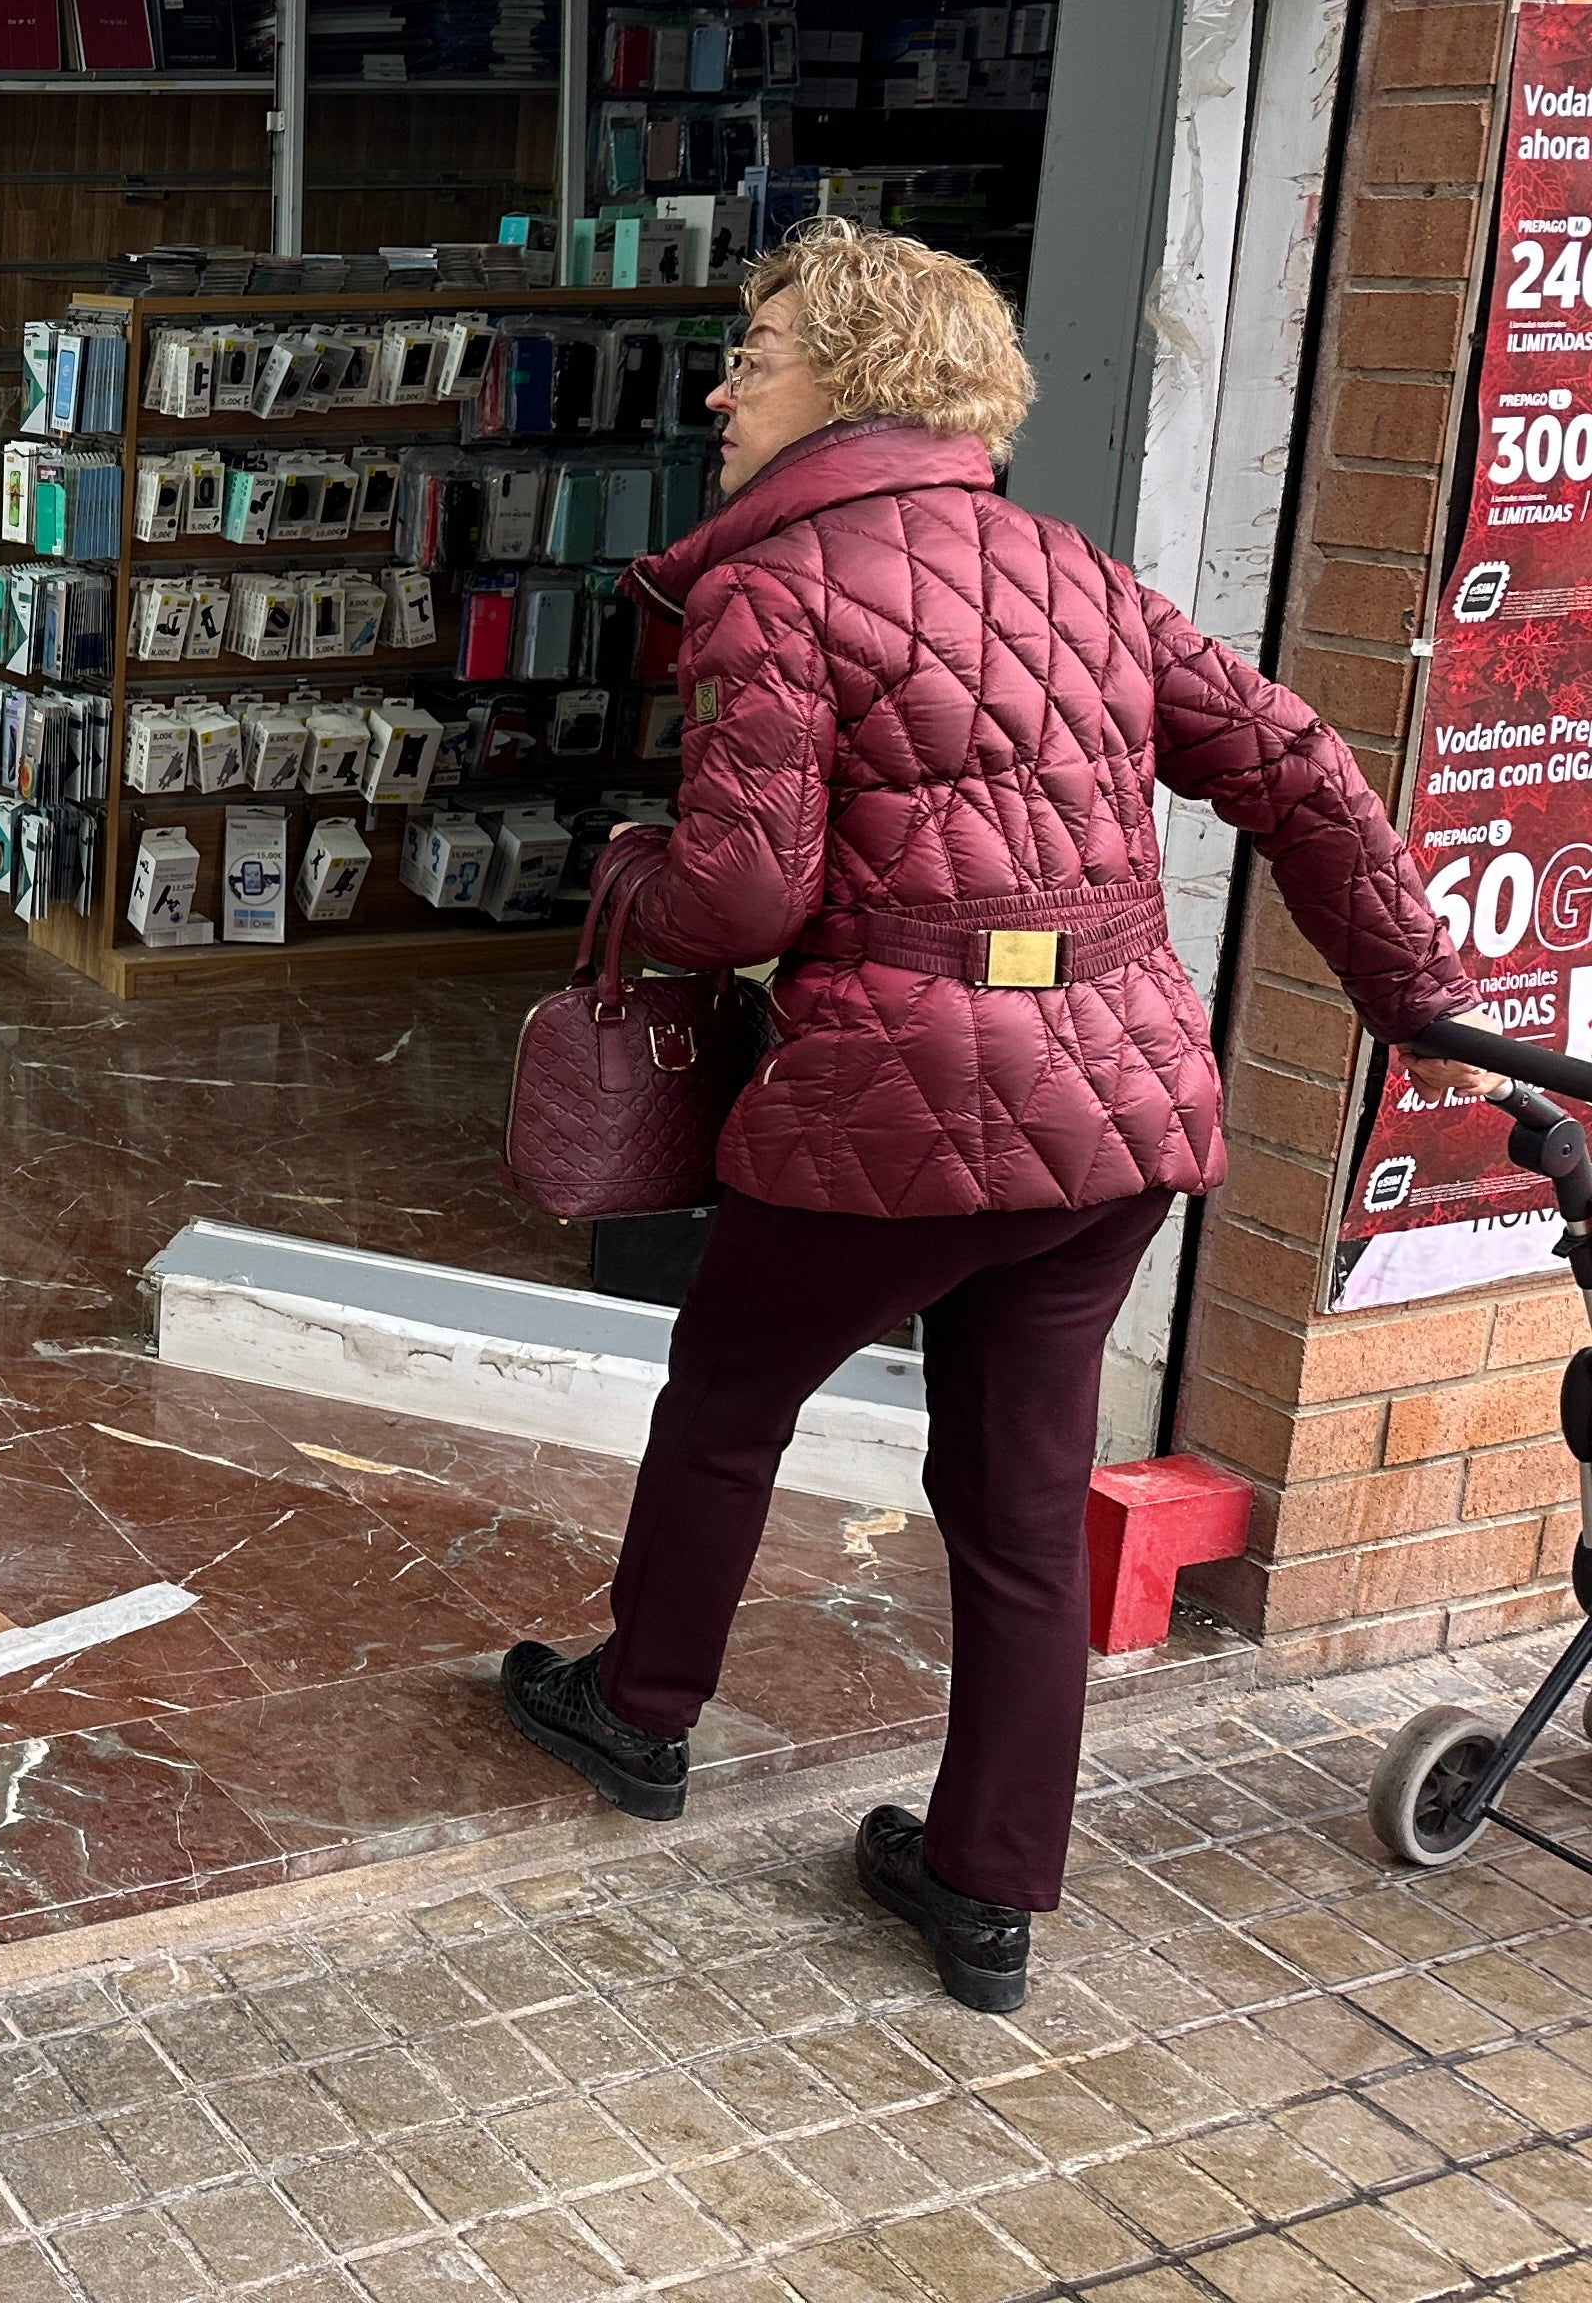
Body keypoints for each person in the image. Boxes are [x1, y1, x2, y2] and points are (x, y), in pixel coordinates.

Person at [499, 218, 1483, 2014]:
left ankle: (639, 1714)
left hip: (892, 1103)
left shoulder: (773, 589)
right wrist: (1420, 997)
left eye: (761, 346)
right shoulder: (1076, 570)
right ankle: (986, 1892)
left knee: (727, 1405)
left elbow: (740, 908)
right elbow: (1302, 769)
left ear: (858, 380)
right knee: (1023, 1506)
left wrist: (638, 867)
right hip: (1116, 1118)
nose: (723, 381)